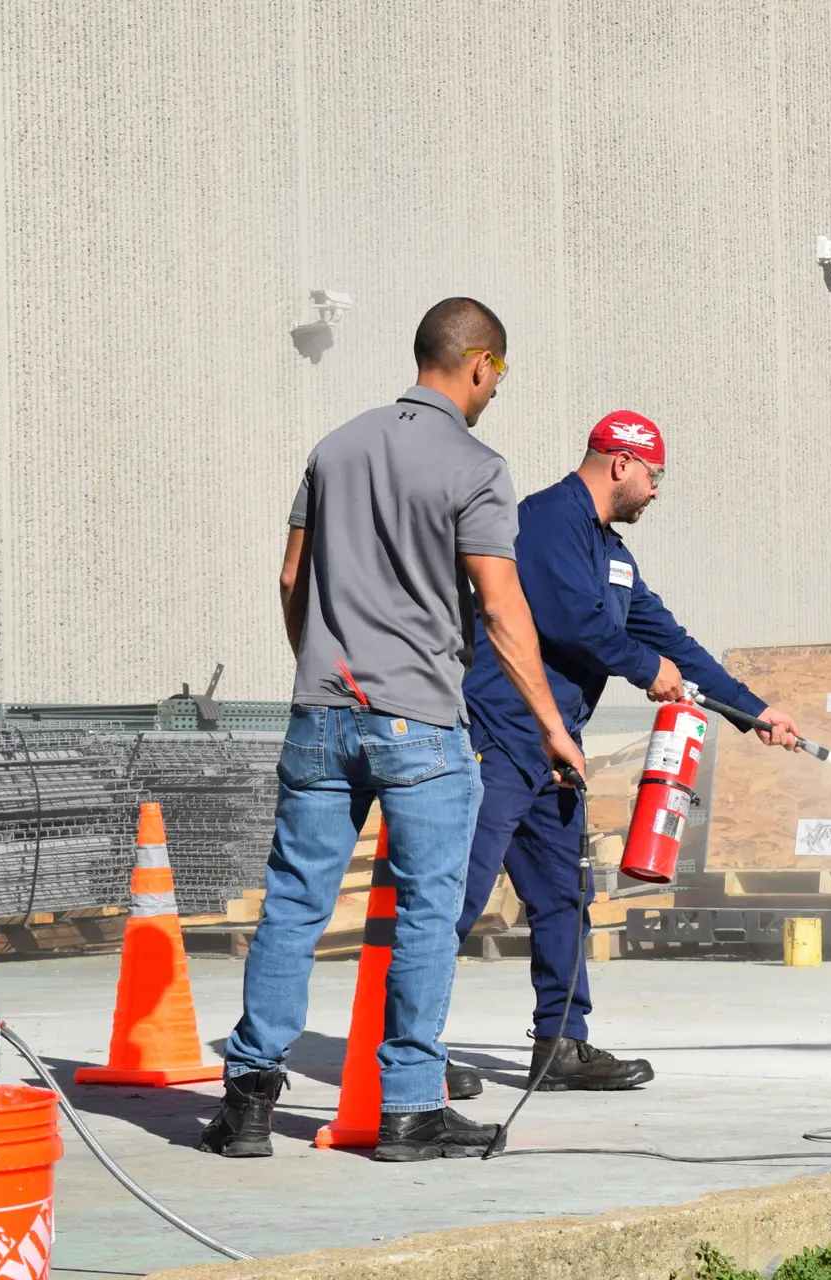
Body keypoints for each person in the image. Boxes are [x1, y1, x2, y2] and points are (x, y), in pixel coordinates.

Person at [202, 297, 585, 1163]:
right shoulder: (476, 466)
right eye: (499, 376)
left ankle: (249, 1101)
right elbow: (501, 609)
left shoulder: (333, 448)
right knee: (424, 912)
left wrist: (317, 664)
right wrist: (552, 727)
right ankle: (410, 1108)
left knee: (293, 908)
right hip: (420, 725)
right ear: (479, 363)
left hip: (321, 715)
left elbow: (292, 573)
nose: (496, 391)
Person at [449, 410, 801, 1094]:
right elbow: (569, 622)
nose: (657, 492)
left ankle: (561, 1046)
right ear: (620, 462)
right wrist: (645, 668)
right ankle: (404, 1051)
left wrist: (752, 710)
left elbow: (671, 638)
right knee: (456, 895)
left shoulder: (613, 553)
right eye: (654, 475)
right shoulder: (545, 521)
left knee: (562, 898)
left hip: (555, 747)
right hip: (497, 730)